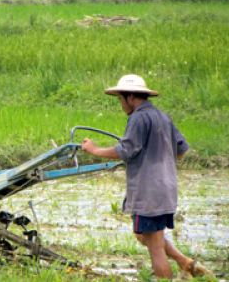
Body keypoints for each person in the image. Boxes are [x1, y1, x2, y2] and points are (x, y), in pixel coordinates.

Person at [81, 75, 214, 279]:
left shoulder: (138, 117)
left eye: (120, 99)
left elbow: (126, 150)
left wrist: (95, 150)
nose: (121, 104)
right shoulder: (162, 116)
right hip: (166, 188)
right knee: (144, 236)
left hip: (148, 192)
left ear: (131, 96)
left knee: (155, 248)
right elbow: (181, 149)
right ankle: (184, 262)